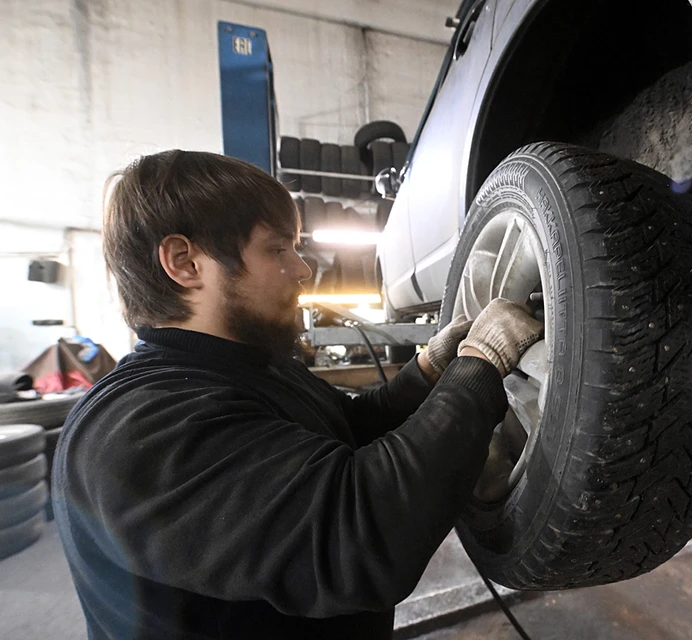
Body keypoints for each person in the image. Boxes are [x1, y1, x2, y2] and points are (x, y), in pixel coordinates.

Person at [52, 150, 543, 639]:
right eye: (277, 249)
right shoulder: (142, 428)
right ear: (185, 262)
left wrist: (429, 370)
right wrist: (478, 366)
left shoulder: (244, 368)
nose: (302, 268)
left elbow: (345, 430)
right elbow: (363, 538)